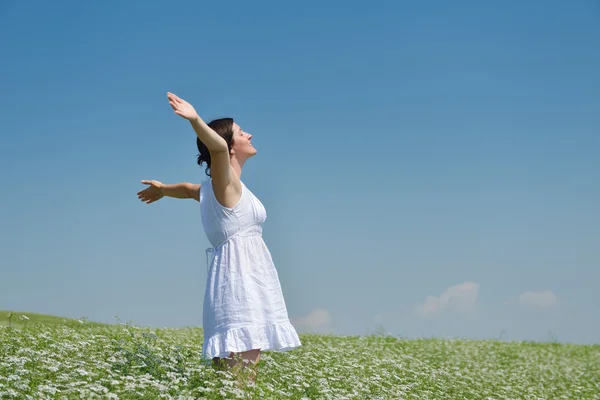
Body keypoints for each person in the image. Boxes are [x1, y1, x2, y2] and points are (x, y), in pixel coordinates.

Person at [136, 92, 302, 384]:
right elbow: (217, 152)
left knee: (232, 376)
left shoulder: (216, 187)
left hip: (236, 278)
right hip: (240, 283)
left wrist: (163, 189)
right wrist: (195, 120)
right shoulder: (224, 183)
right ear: (230, 146)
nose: (249, 134)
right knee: (242, 377)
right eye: (241, 132)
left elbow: (188, 189)